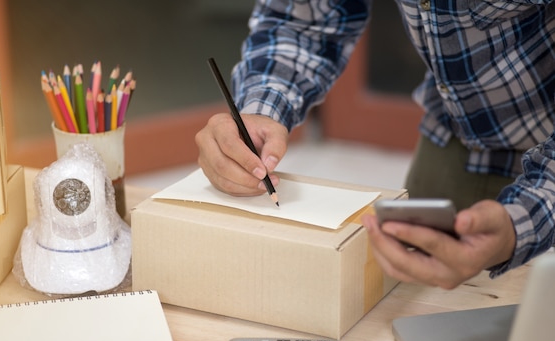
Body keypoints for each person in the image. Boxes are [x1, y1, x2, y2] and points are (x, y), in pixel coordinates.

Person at [195, 1, 555, 289]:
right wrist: (261, 110)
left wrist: (520, 223)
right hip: (456, 129)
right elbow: (305, 20)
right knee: (410, 300)